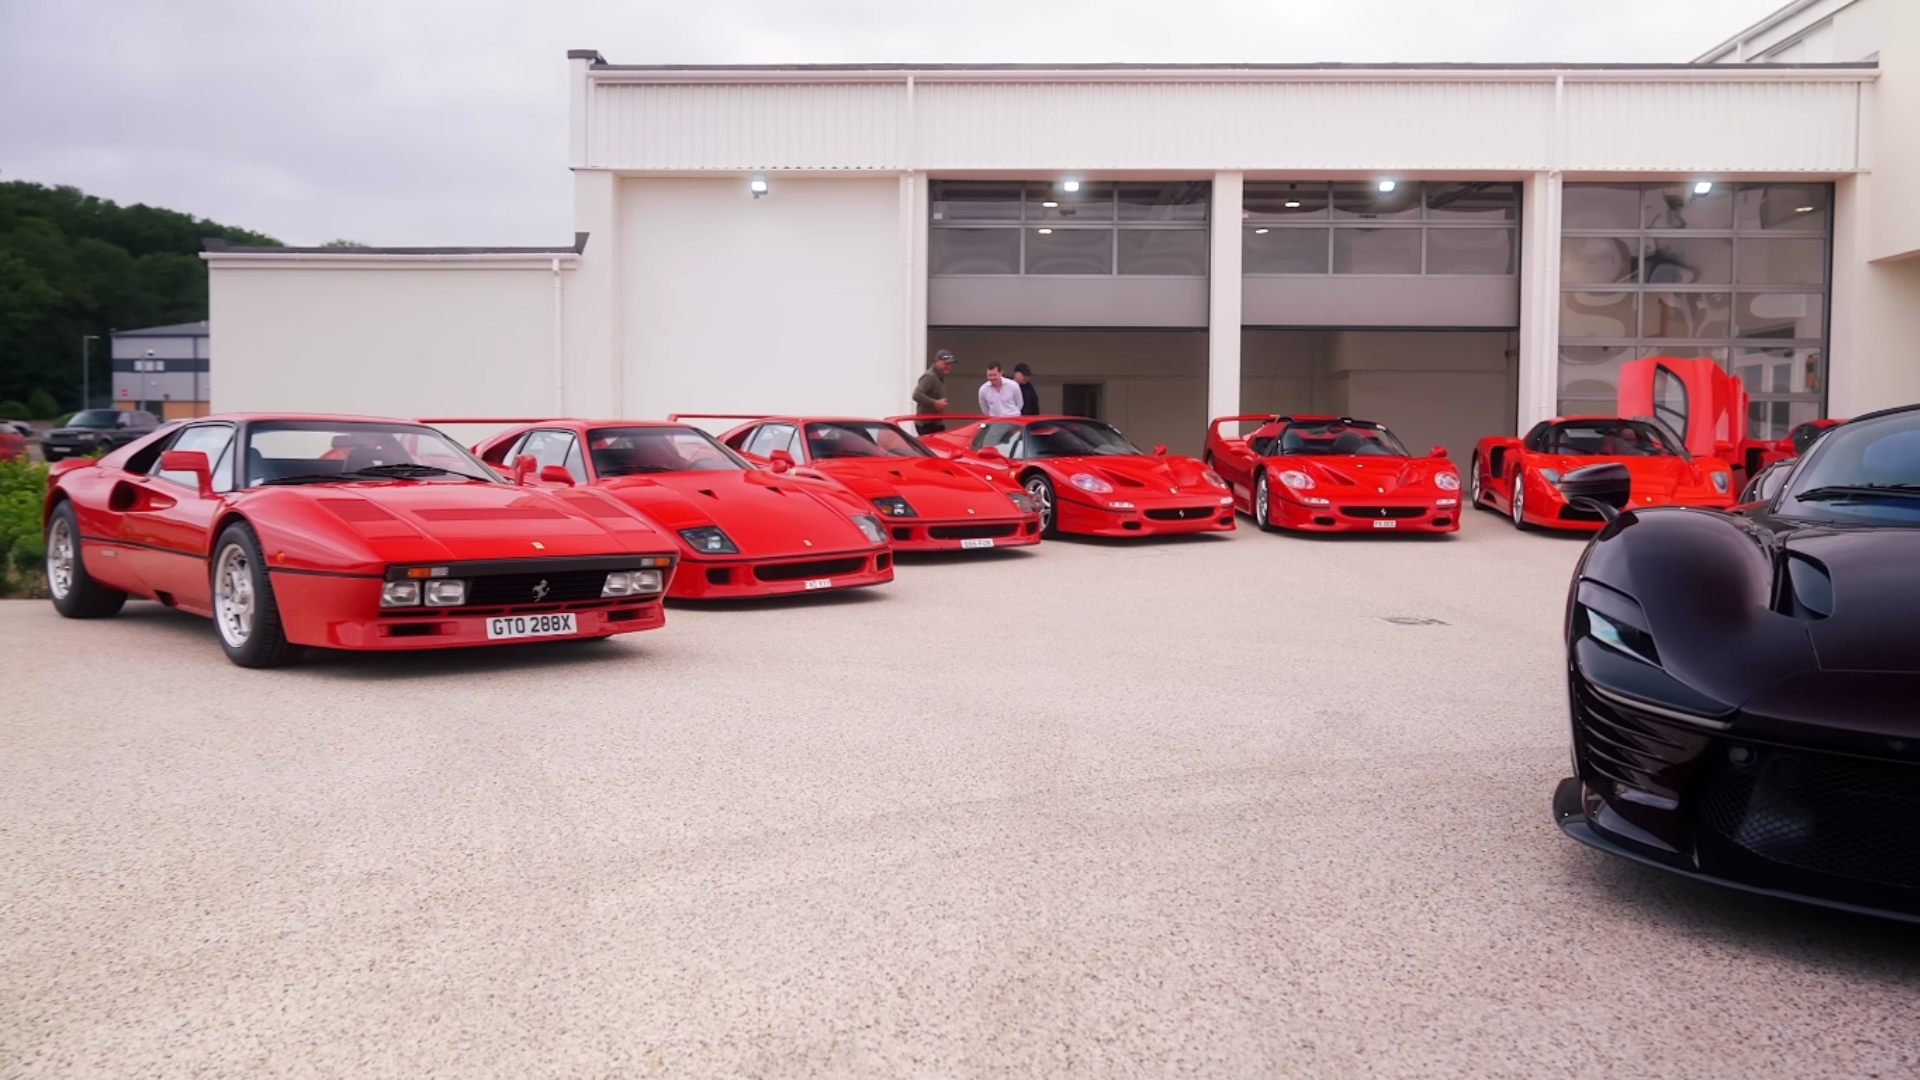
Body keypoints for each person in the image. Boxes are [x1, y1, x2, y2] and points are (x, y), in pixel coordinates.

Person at [912, 350, 956, 434]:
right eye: (946, 364)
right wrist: (935, 403)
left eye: (950, 364)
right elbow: (916, 395)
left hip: (935, 422)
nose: (949, 367)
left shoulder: (938, 376)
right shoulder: (930, 377)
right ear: (937, 362)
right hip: (926, 424)